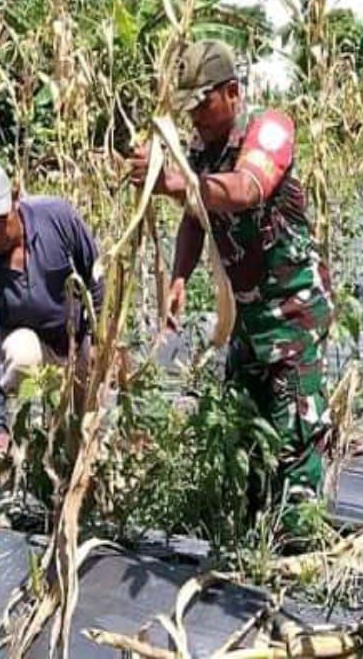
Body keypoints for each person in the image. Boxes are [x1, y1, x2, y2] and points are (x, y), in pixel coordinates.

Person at [129, 39, 334, 524]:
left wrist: (175, 182)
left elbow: (245, 190)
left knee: (294, 433)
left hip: (292, 312)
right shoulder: (201, 149)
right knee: (242, 429)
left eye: (203, 103)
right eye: (189, 108)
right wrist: (179, 275)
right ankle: (250, 528)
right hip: (248, 316)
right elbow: (197, 218)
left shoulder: (270, 131)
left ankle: (297, 544)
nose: (195, 117)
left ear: (234, 92)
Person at [0, 160, 105, 460]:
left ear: (14, 198)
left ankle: (77, 448)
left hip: (80, 341)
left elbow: (95, 276)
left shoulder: (56, 217)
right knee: (21, 351)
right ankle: (31, 436)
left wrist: (101, 337)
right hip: (37, 352)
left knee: (83, 434)